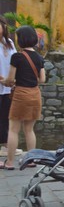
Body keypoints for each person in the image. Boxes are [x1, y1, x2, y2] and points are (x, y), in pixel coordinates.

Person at [0, 26, 46, 170]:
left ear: (20, 40)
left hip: (20, 95)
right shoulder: (39, 57)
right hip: (35, 94)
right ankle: (31, 160)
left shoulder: (17, 57)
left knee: (13, 130)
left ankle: (9, 162)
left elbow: (10, 79)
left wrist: (3, 81)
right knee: (29, 130)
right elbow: (42, 79)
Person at [0, 16, 22, 158]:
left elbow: (15, 62)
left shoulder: (9, 43)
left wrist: (12, 79)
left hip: (8, 86)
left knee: (6, 116)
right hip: (2, 82)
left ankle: (5, 144)